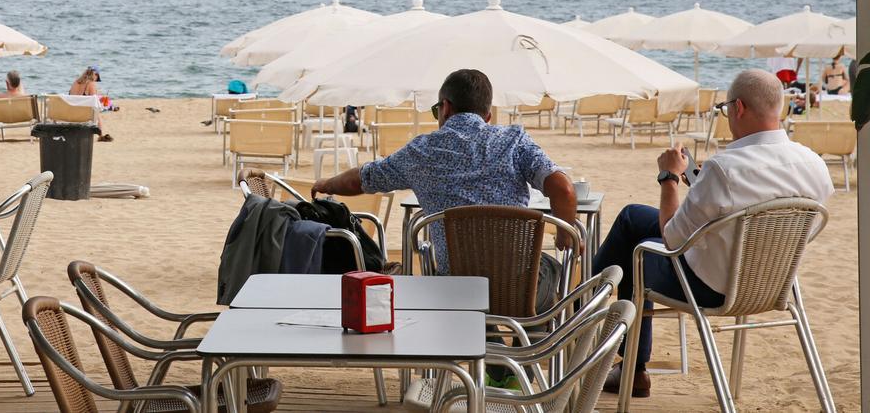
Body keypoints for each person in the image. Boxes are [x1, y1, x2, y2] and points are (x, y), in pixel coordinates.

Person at [595, 69, 833, 398]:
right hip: (773, 281)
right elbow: (765, 210)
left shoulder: (725, 168)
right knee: (634, 216)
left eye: (724, 109)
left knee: (639, 250)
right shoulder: (813, 164)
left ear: (738, 108)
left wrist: (669, 177)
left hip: (709, 287)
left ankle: (603, 327)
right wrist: (701, 187)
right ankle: (597, 313)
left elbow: (672, 240)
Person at [312, 68, 578, 294]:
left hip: (454, 288)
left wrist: (327, 183)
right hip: (515, 287)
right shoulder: (514, 141)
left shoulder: (420, 152)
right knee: (549, 269)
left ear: (445, 107)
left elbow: (361, 180)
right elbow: (564, 190)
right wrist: (565, 234)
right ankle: (532, 346)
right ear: (487, 116)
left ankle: (489, 337)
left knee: (474, 282)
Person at [68, 67, 113, 142]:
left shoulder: (75, 82)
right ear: (94, 75)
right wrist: (102, 100)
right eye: (97, 77)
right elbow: (94, 101)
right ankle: (100, 135)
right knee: (97, 113)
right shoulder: (91, 83)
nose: (96, 80)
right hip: (83, 114)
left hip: (71, 112)